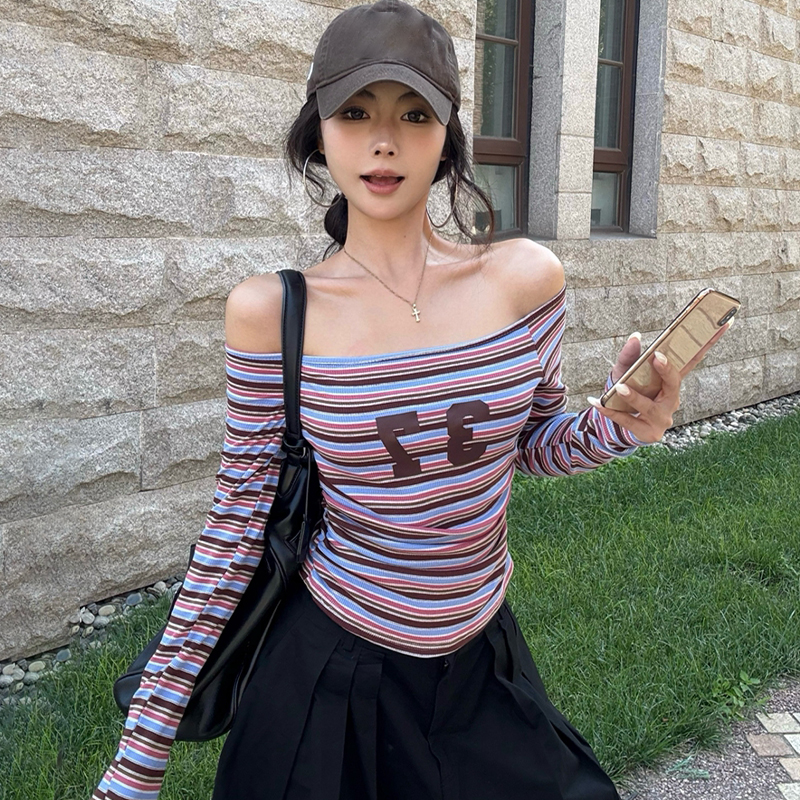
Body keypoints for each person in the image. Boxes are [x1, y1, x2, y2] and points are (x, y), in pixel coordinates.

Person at [92, 2, 731, 799]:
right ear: (318, 134)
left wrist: (619, 425)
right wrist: (137, 763)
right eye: (355, 113)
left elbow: (533, 444)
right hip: (331, 670)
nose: (384, 141)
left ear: (448, 136)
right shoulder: (272, 313)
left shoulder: (525, 280)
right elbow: (235, 529)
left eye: (414, 114)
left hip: (481, 659)